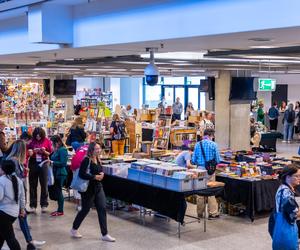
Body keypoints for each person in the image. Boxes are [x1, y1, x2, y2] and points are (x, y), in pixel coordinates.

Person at [70, 142, 115, 242]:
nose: (99, 151)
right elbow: (82, 174)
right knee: (85, 209)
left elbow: (97, 170)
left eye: (99, 149)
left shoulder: (98, 159)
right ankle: (74, 229)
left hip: (98, 187)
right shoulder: (86, 160)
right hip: (88, 189)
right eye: (96, 149)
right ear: (91, 150)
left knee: (102, 209)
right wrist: (94, 177)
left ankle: (105, 234)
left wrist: (101, 174)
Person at [6, 140, 46, 250]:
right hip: (13, 194)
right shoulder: (13, 161)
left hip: (14, 193)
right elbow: (17, 176)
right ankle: (30, 241)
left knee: (20, 217)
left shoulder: (13, 160)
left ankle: (30, 241)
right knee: (12, 220)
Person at [192, 128, 221, 219]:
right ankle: (213, 213)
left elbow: (193, 160)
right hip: (210, 171)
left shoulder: (197, 144)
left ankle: (200, 213)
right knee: (211, 191)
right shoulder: (214, 145)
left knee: (200, 191)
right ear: (210, 135)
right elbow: (217, 160)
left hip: (199, 170)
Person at [272, 164, 300, 250]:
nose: (299, 178)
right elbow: (294, 215)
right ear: (288, 177)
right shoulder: (286, 193)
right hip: (286, 231)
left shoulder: (283, 188)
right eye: (297, 176)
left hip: (280, 228)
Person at [0, 160, 25, 250]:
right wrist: (22, 209)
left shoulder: (2, 180)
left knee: (10, 238)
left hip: (3, 213)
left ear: (3, 169)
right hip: (14, 213)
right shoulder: (18, 180)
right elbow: (22, 197)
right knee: (2, 234)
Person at [27, 127, 52, 213]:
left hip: (44, 162)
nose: (38, 138)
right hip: (33, 163)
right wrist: (32, 151)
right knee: (32, 184)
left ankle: (44, 204)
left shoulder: (47, 141)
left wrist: (44, 151)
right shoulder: (31, 141)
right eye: (36, 136)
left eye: (39, 136)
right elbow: (27, 152)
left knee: (44, 184)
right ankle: (33, 205)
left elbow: (50, 153)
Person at [48, 135, 68, 217]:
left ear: (57, 142)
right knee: (57, 191)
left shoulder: (63, 150)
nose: (51, 144)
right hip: (55, 173)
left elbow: (63, 163)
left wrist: (52, 162)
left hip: (60, 174)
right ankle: (59, 209)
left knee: (59, 192)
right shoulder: (57, 150)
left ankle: (60, 210)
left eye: (52, 143)